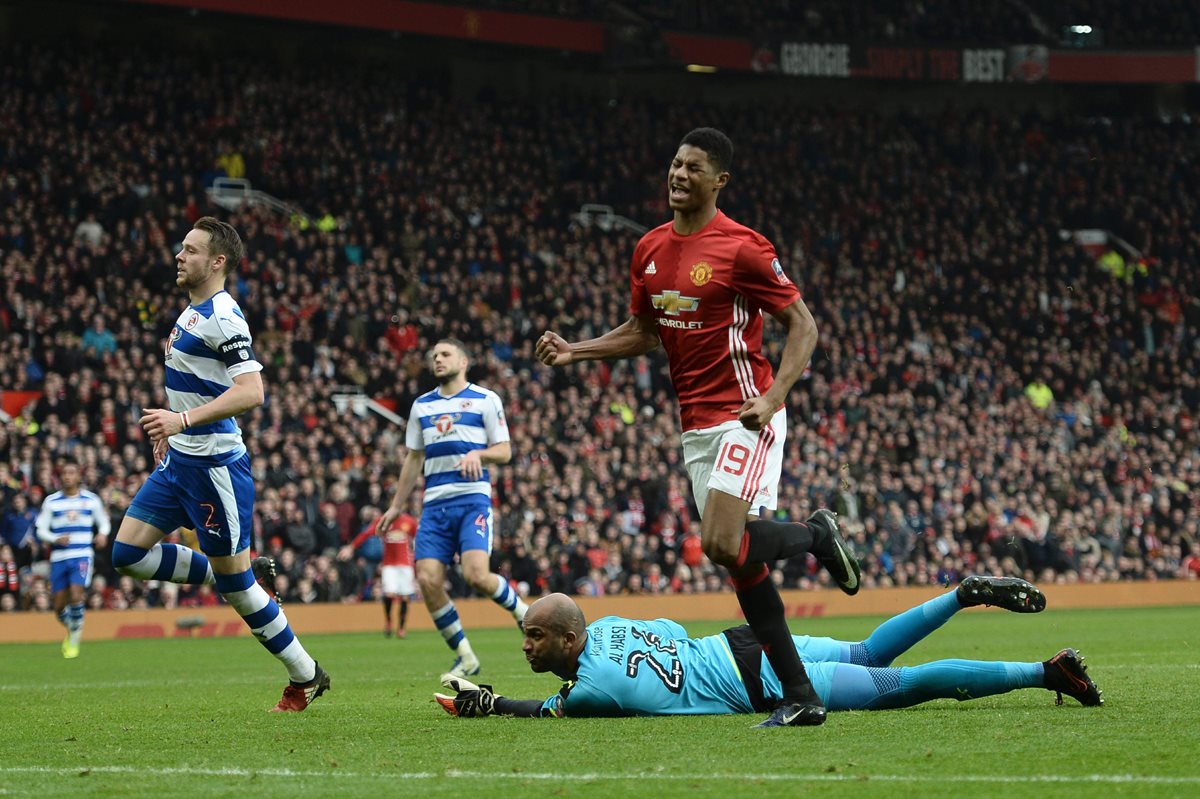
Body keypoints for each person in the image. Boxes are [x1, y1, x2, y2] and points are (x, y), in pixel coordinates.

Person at [535, 127, 859, 726]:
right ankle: (801, 696)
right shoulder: (650, 249)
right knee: (741, 565)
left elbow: (804, 327)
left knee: (717, 542)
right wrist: (576, 350)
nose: (679, 175)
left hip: (746, 414)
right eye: (675, 164)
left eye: (693, 168)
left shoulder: (743, 248)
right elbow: (644, 331)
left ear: (719, 181)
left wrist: (772, 395)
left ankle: (816, 536)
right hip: (696, 428)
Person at [108, 217, 329, 712]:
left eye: (189, 250)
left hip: (215, 470)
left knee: (237, 589)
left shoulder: (224, 316)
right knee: (127, 555)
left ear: (217, 261)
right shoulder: (191, 311)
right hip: (179, 463)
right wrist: (171, 431)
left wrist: (182, 420)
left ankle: (305, 673)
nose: (178, 257)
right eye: (181, 248)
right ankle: (242, 573)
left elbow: (253, 391)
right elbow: (196, 381)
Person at [435, 576, 1104, 722]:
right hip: (740, 640)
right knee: (870, 651)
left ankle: (1041, 670)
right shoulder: (608, 623)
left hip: (751, 678)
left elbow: (548, 707)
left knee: (901, 687)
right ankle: (959, 594)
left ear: (569, 638)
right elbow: (668, 631)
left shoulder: (594, 689)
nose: (525, 643)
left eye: (535, 635)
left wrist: (491, 705)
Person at [377, 337, 527, 677]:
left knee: (477, 576)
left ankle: (522, 612)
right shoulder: (421, 406)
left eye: (445, 354)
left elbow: (504, 451)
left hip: (472, 499)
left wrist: (480, 454)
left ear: (463, 362)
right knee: (428, 580)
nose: (438, 360)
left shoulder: (486, 400)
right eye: (434, 356)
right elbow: (414, 459)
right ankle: (466, 657)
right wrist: (396, 507)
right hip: (434, 506)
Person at [33, 460, 110, 658]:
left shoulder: (91, 500)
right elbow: (40, 528)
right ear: (60, 477)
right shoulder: (52, 501)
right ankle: (73, 626)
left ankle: (75, 635)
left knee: (76, 593)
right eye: (64, 473)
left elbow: (104, 522)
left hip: (82, 554)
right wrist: (54, 538)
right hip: (59, 556)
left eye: (72, 472)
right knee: (58, 605)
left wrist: (102, 534)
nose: (68, 476)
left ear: (78, 476)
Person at [343, 509, 417, 637]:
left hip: (406, 564)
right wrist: (351, 547)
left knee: (405, 596)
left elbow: (419, 538)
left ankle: (401, 627)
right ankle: (388, 621)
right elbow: (366, 534)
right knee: (389, 594)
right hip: (389, 564)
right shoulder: (383, 520)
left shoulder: (409, 521)